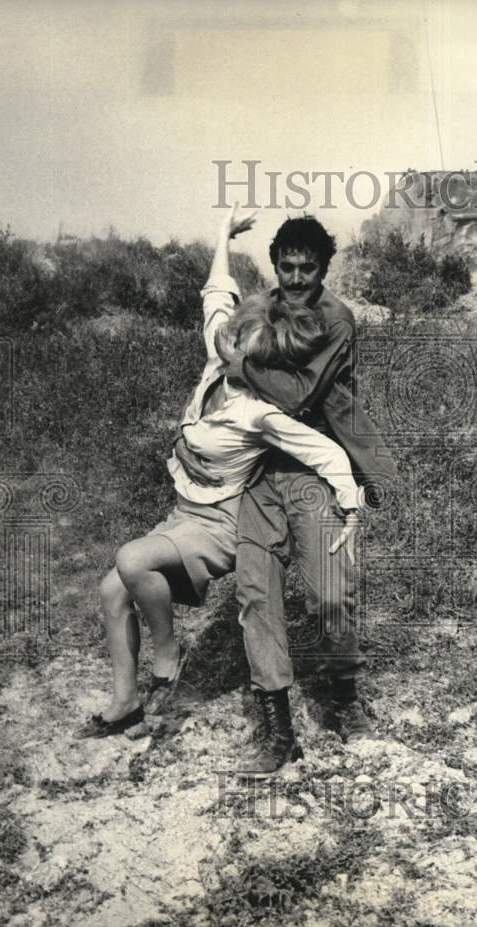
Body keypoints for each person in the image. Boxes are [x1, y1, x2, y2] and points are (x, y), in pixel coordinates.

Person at [77, 205, 364, 740]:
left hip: (221, 518)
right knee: (112, 589)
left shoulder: (257, 410)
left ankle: (167, 658)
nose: (230, 346)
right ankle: (126, 701)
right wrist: (221, 236)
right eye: (231, 338)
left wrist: (349, 505)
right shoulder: (219, 351)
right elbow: (217, 293)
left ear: (259, 360)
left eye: (245, 349)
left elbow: (324, 451)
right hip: (186, 508)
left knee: (131, 558)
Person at [173, 215, 398, 774]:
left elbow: (301, 397)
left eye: (308, 267)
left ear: (325, 267)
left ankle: (343, 697)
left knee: (330, 591)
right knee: (256, 596)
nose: (296, 277)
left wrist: (241, 366)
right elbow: (217, 313)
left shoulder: (337, 320)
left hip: (316, 468)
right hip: (258, 474)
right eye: (287, 266)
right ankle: (277, 729)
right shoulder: (260, 308)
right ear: (275, 263)